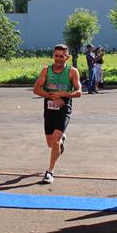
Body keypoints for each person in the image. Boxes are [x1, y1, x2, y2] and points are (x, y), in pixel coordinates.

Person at [33, 44, 81, 184]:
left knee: (55, 141)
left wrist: (63, 94)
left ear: (67, 57)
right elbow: (36, 89)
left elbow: (79, 92)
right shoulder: (46, 71)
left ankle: (50, 171)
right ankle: (61, 141)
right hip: (49, 108)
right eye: (56, 56)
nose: (59, 59)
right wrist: (53, 96)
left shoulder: (72, 71)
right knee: (51, 143)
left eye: (62, 56)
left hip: (64, 108)